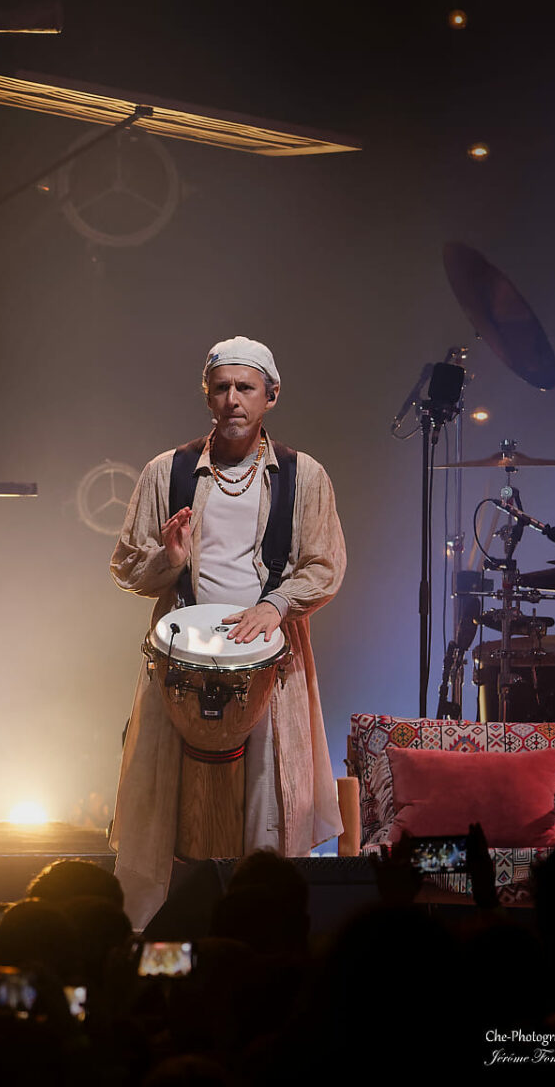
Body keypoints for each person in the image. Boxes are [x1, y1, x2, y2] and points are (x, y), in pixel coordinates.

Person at [109, 337, 346, 928]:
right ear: (207, 395)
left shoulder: (304, 474)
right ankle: (160, 945)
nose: (233, 399)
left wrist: (276, 605)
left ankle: (264, 934)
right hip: (181, 663)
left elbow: (325, 563)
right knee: (164, 809)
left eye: (245, 387)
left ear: (271, 395)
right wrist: (168, 557)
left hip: (269, 660)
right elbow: (127, 566)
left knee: (267, 803)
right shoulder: (167, 470)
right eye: (221, 387)